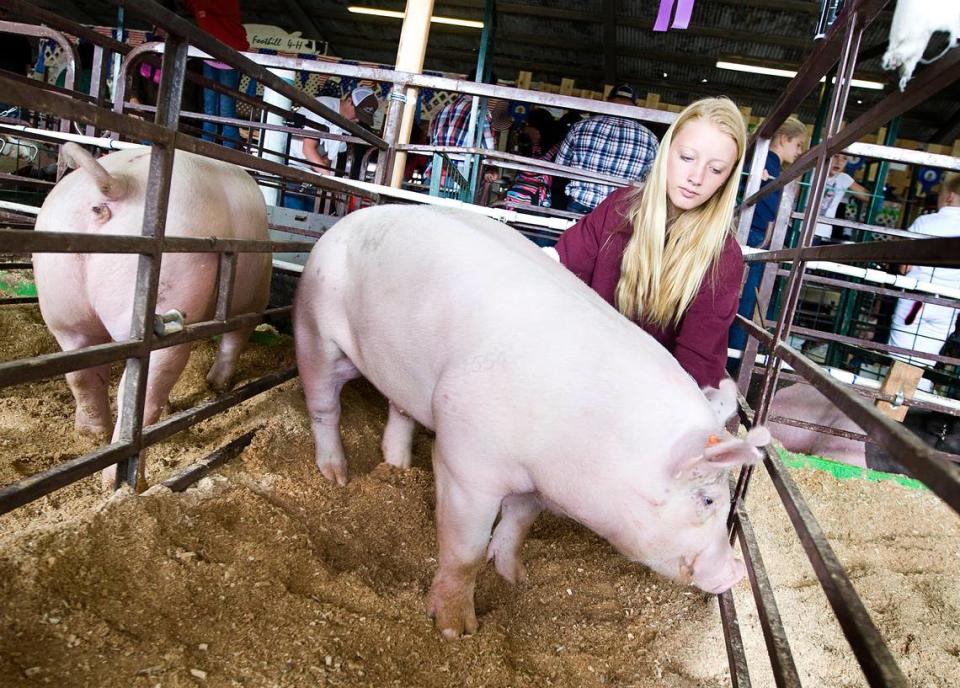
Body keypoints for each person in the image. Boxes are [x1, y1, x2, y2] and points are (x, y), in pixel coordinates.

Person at [547, 97, 747, 389]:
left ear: (727, 180)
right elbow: (560, 268)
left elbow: (697, 365)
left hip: (656, 399)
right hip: (585, 370)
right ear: (666, 153)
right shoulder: (619, 207)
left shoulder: (724, 256)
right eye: (687, 157)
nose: (696, 177)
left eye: (716, 169)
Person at [728, 115, 808, 358]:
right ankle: (732, 360)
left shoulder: (752, 162)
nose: (799, 151)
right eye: (798, 145)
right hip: (755, 244)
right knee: (746, 306)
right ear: (783, 139)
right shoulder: (770, 169)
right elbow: (774, 212)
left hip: (742, 239)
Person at [887, 172, 960, 379]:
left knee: (899, 361)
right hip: (950, 305)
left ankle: (887, 406)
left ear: (949, 196)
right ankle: (913, 405)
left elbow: (904, 267)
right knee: (923, 364)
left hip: (916, 301)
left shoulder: (925, 222)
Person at [552, 84, 659, 214]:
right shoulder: (650, 139)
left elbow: (560, 165)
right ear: (635, 105)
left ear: (607, 100)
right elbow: (651, 181)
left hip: (579, 203)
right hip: (619, 212)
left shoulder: (580, 127)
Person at [284, 86, 379, 210]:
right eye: (357, 114)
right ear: (349, 100)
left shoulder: (345, 122)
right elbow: (308, 149)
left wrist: (327, 178)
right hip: (291, 167)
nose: (357, 120)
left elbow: (328, 157)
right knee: (293, 214)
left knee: (309, 216)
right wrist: (332, 181)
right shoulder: (324, 107)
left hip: (310, 173)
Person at [184, 0, 248, 149]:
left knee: (223, 108)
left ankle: (226, 150)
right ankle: (210, 148)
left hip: (229, 57)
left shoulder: (208, 4)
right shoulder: (200, 4)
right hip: (212, 56)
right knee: (214, 107)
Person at [814, 153, 868, 244]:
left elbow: (869, 198)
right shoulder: (811, 172)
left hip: (821, 233)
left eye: (845, 158)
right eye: (835, 156)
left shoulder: (844, 178)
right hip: (797, 227)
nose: (839, 162)